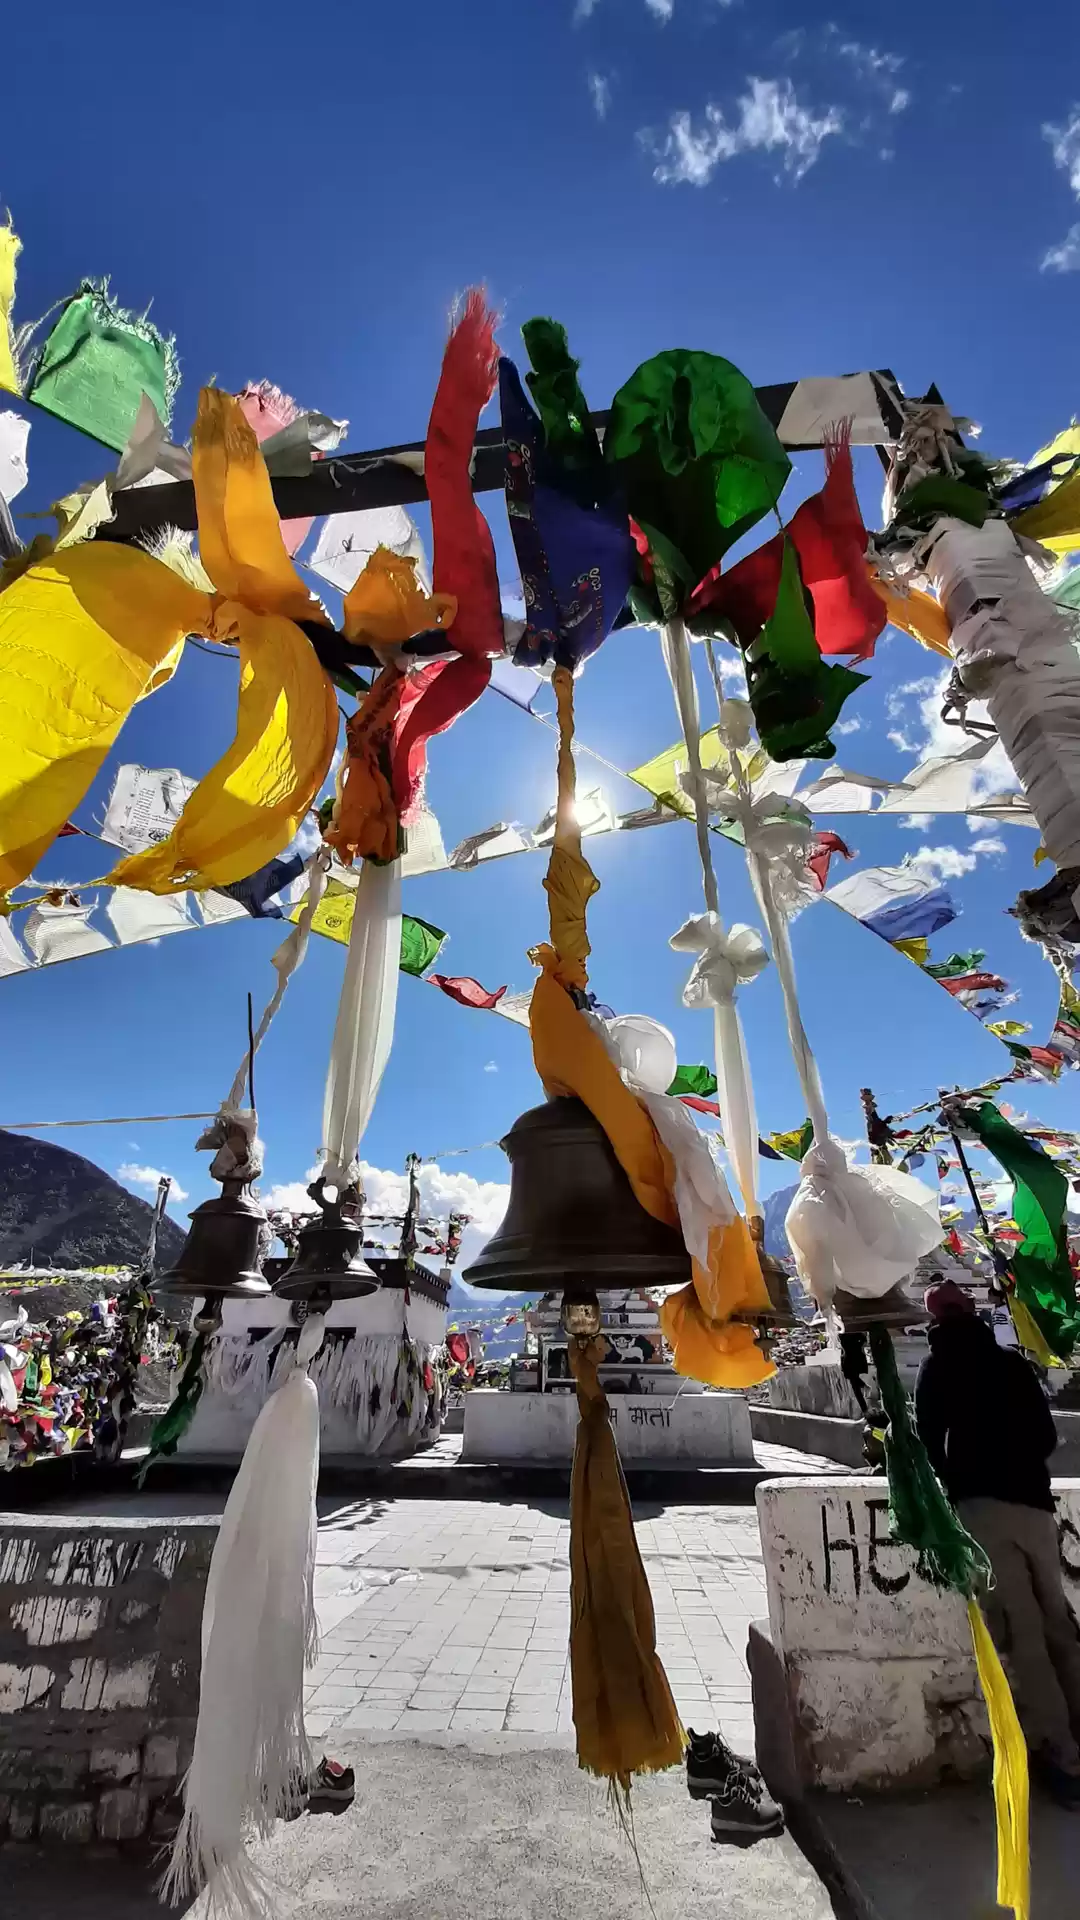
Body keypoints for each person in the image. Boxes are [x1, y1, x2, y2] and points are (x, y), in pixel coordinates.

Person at [915, 1276, 1080, 1806]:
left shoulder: (936, 1369)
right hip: (1035, 1506)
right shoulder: (1012, 1365)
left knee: (1023, 1632)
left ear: (935, 1320)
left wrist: (958, 1478)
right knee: (1059, 1622)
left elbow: (926, 1444)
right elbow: (1047, 1436)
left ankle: (1065, 1757)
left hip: (980, 1510)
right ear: (972, 1312)